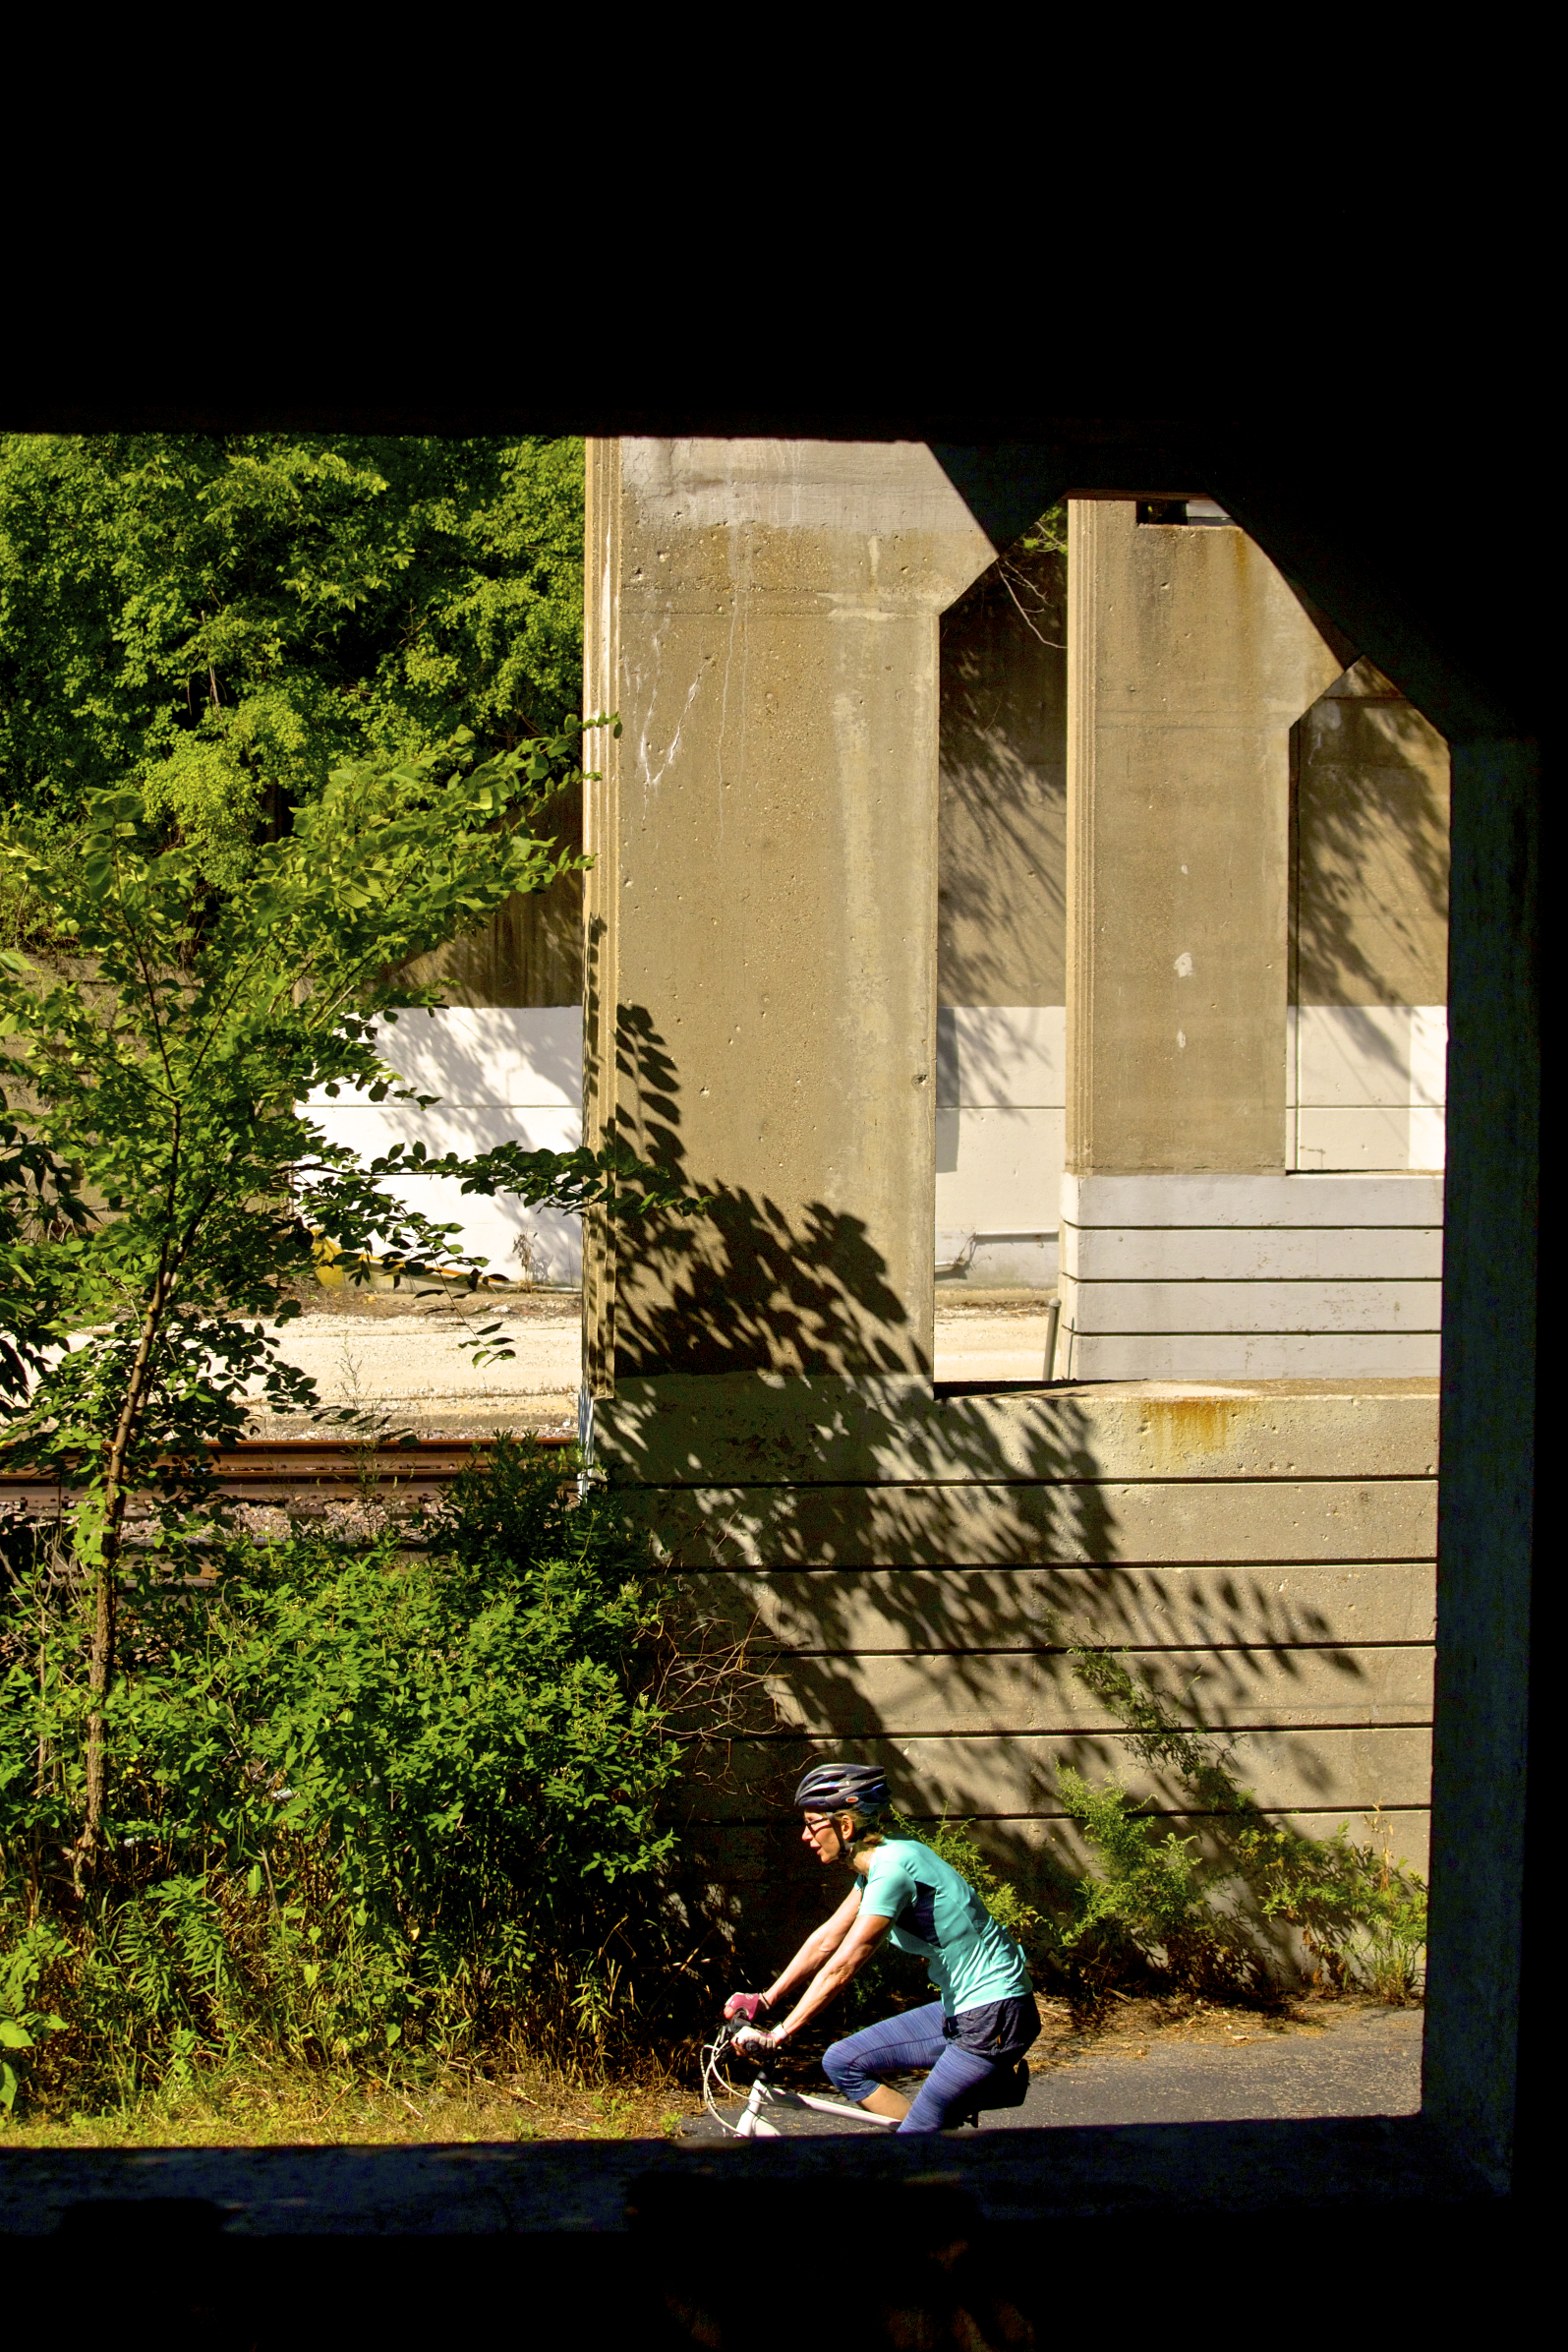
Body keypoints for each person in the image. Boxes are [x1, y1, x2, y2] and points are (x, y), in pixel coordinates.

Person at [725, 1761, 1039, 2133]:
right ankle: (934, 2136)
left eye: (812, 1823)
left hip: (992, 2015)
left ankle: (929, 2142)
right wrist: (765, 1998)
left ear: (844, 1826)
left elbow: (843, 1967)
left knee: (908, 2154)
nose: (805, 1836)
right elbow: (827, 1940)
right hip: (963, 2009)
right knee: (844, 2062)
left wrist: (779, 2035)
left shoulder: (893, 1869)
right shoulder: (878, 1867)